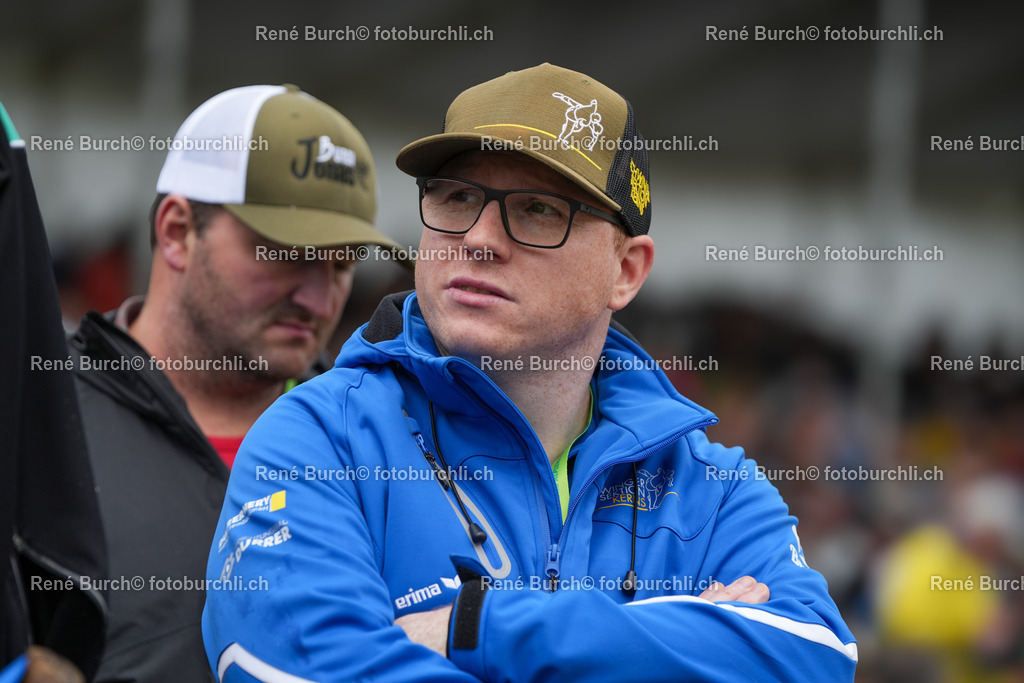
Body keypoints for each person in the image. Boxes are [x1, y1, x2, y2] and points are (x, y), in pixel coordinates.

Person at [203, 64, 858, 681]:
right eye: (457, 197)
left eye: (538, 209)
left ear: (625, 271)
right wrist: (666, 641)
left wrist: (478, 626)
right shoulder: (318, 442)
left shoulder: (711, 487)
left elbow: (815, 654)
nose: (481, 237)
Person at [69, 84, 406, 682]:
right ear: (177, 232)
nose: (319, 296)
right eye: (286, 252)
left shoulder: (379, 440)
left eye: (343, 262)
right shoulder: (42, 417)